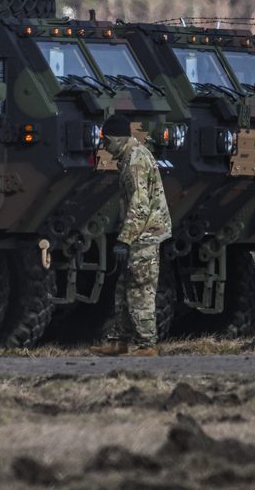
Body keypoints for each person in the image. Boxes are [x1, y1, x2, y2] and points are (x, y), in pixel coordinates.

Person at [91, 116, 172, 358]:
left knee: (140, 289)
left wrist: (124, 239)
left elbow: (140, 206)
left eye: (106, 141)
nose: (104, 146)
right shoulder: (132, 157)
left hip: (144, 236)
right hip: (141, 233)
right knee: (124, 288)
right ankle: (120, 341)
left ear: (117, 138)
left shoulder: (135, 161)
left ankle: (147, 345)